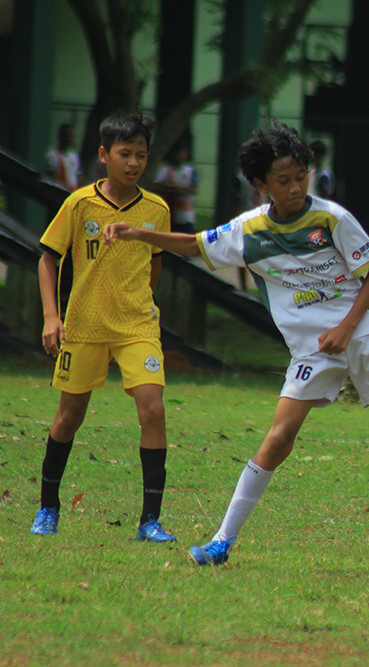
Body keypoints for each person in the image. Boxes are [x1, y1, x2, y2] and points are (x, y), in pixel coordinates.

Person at [103, 122, 369, 578]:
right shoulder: (249, 231)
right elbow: (196, 245)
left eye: (301, 177)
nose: (296, 188)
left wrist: (347, 325)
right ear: (260, 186)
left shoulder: (332, 218)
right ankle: (221, 542)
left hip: (367, 335)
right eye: (284, 180)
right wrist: (141, 235)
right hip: (314, 350)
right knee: (278, 438)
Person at [31, 113, 175, 543]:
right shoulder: (79, 204)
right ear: (104, 155)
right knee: (68, 417)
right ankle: (47, 508)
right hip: (85, 325)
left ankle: (150, 520)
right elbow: (47, 257)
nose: (133, 163)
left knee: (153, 410)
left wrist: (140, 303)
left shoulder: (157, 210)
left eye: (141, 155)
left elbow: (155, 265)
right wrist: (52, 316)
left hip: (137, 326)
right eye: (124, 154)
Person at [151, 137, 199, 233]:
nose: (178, 157)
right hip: (169, 213)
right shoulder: (165, 169)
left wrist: (180, 190)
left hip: (185, 215)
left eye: (180, 153)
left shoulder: (190, 170)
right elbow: (156, 186)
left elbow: (194, 190)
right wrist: (174, 189)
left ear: (186, 154)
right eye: (176, 153)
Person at [45, 123, 82, 190]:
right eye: (66, 136)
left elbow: (79, 176)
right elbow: (53, 178)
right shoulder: (52, 155)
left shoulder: (74, 156)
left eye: (71, 136)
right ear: (60, 136)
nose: (69, 139)